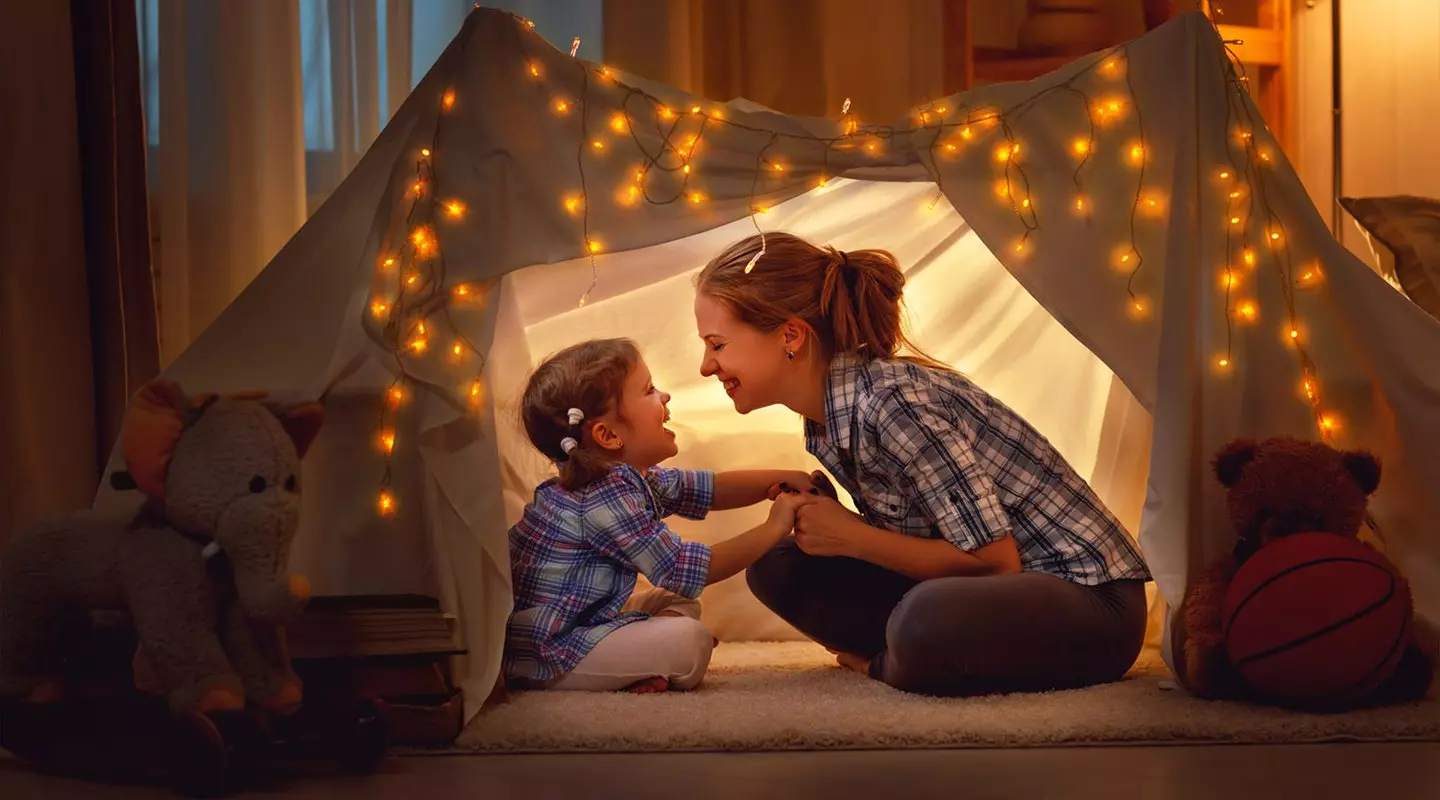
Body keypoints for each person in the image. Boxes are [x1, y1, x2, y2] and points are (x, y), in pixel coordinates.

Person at [691, 232, 1153, 696]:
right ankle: (916, 655)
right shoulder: (827, 419)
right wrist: (838, 530)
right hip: (987, 595)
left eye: (717, 345)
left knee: (926, 618)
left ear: (790, 336)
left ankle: (891, 664)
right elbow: (929, 540)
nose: (706, 367)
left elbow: (995, 565)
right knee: (778, 565)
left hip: (1089, 603)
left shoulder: (893, 404)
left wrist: (853, 537)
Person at [505, 338, 818, 694]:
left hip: (582, 619)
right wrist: (776, 527)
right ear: (607, 435)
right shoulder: (600, 498)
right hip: (550, 649)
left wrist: (779, 479)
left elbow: (708, 489)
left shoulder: (626, 480)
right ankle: (645, 659)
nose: (665, 396)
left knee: (675, 602)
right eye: (649, 390)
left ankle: (641, 662)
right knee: (690, 642)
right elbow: (684, 568)